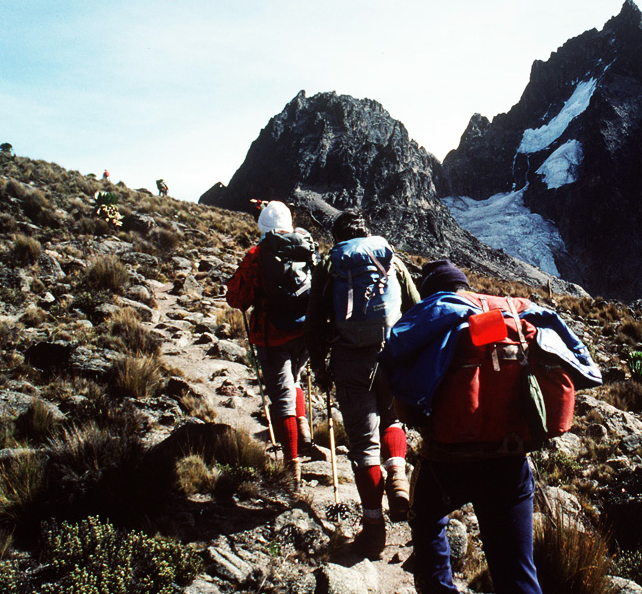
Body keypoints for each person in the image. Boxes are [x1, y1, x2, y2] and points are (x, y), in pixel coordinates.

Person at [380, 260, 601, 594]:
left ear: (431, 291)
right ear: (463, 284)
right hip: (509, 459)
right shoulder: (516, 310)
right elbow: (580, 361)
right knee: (516, 568)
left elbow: (393, 356)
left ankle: (439, 587)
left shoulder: (437, 309)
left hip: (448, 459)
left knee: (425, 523)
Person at [306, 209, 420, 557]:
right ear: (366, 231)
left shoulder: (332, 265)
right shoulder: (391, 259)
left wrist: (320, 366)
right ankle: (398, 476)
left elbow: (315, 322)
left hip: (350, 361)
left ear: (339, 236)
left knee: (363, 445)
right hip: (390, 355)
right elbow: (416, 308)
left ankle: (373, 531)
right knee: (393, 420)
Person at [225, 201, 330, 484]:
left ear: (262, 226)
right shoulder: (307, 246)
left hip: (272, 336)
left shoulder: (257, 255)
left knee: (281, 395)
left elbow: (236, 298)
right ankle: (304, 435)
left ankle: (291, 465)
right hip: (305, 334)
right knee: (294, 382)